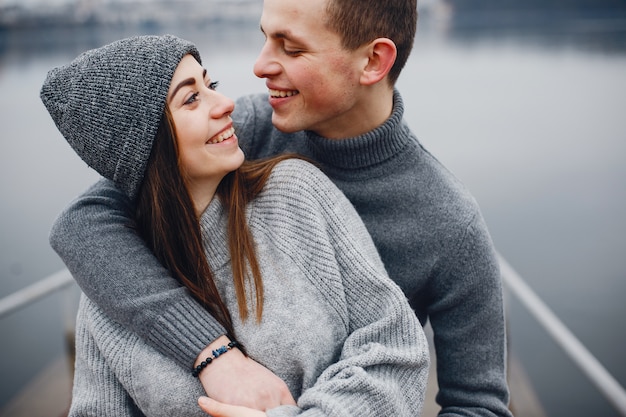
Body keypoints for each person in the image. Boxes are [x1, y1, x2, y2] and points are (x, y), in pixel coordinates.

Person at [49, 0, 513, 416]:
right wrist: (214, 354)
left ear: (373, 61)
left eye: (289, 48)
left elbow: (477, 406)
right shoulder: (245, 130)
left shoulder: (451, 223)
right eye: (264, 37)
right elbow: (84, 223)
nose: (258, 65)